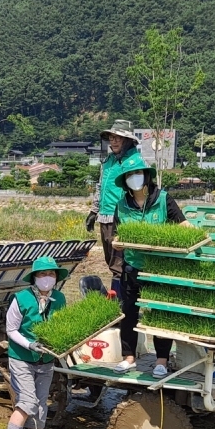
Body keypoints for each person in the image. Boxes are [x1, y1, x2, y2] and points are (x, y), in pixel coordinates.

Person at [113, 156, 194, 378]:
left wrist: (198, 234)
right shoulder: (122, 205)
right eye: (129, 175)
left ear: (147, 176)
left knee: (160, 313)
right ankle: (128, 358)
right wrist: (118, 242)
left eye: (137, 173)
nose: (134, 178)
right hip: (132, 268)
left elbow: (183, 224)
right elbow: (117, 235)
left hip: (159, 268)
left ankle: (161, 360)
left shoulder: (164, 199)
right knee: (129, 313)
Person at [4, 256, 67, 429]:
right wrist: (30, 345)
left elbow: (62, 327)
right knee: (28, 401)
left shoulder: (59, 299)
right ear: (34, 277)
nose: (47, 277)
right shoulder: (21, 298)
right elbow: (11, 329)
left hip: (46, 360)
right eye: (42, 274)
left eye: (51, 273)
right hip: (22, 358)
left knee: (40, 406)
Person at [86, 120, 143, 299]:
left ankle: (121, 302)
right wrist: (94, 211)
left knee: (121, 263)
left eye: (118, 137)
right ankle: (119, 298)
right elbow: (100, 187)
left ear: (128, 140)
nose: (114, 141)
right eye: (111, 137)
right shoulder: (109, 161)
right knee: (112, 261)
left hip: (124, 218)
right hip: (106, 217)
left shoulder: (134, 161)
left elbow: (139, 193)